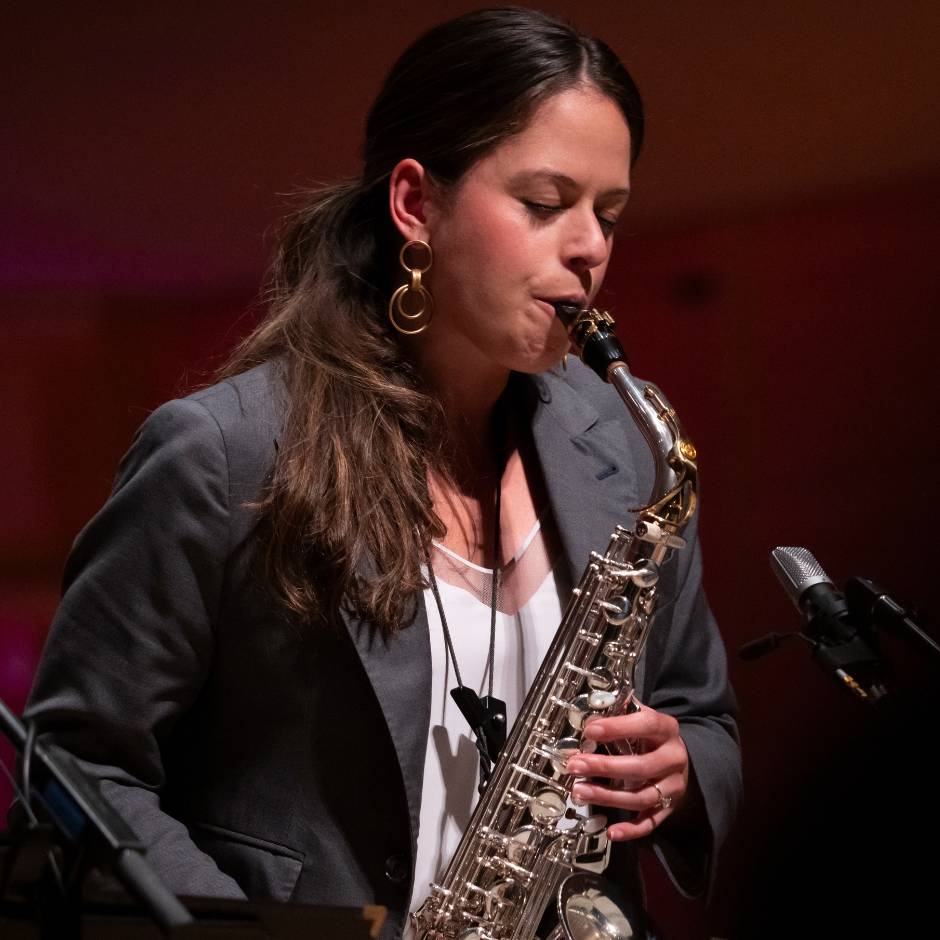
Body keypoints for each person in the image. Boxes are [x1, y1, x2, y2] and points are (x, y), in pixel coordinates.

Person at [24, 8, 741, 938]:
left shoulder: (629, 447)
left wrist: (681, 772)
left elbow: (707, 720)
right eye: (543, 201)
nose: (589, 247)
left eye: (607, 213)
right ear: (415, 202)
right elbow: (74, 774)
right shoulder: (222, 454)